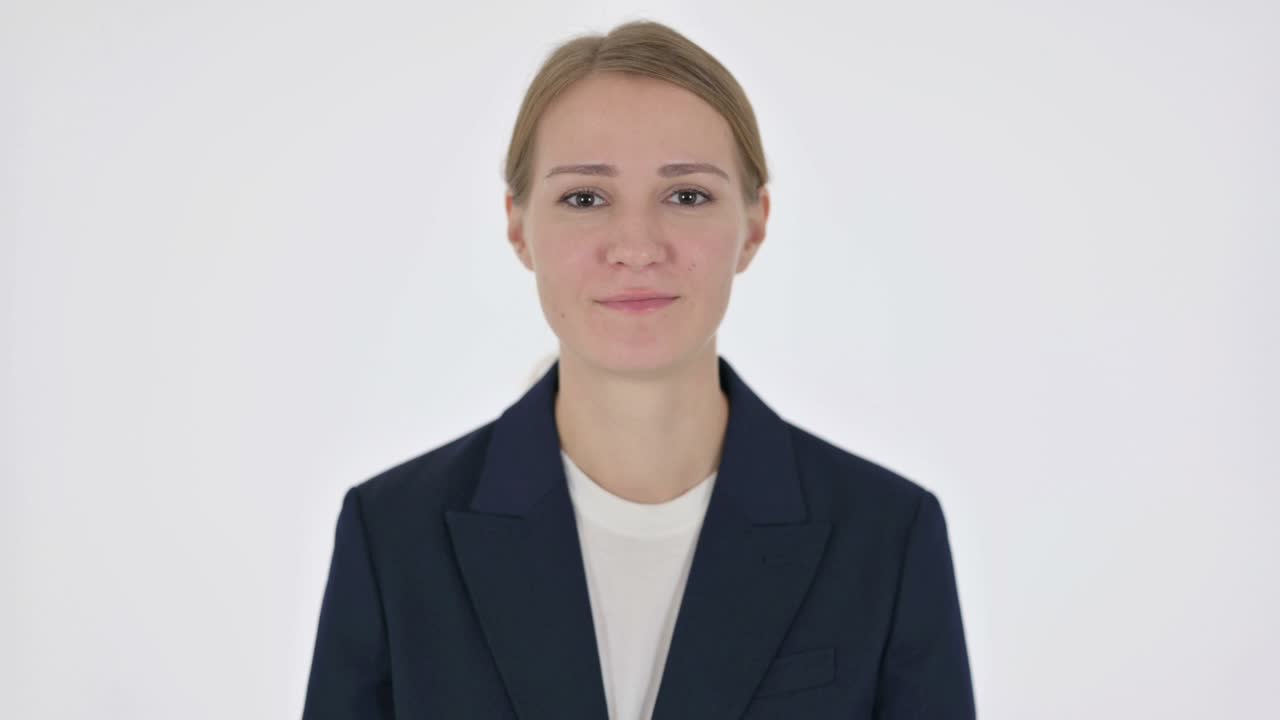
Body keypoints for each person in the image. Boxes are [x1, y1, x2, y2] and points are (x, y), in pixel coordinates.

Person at [302, 19, 975, 720]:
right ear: (516, 225)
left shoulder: (887, 537)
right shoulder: (393, 537)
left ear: (754, 225)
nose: (636, 246)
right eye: (584, 199)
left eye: (686, 196)